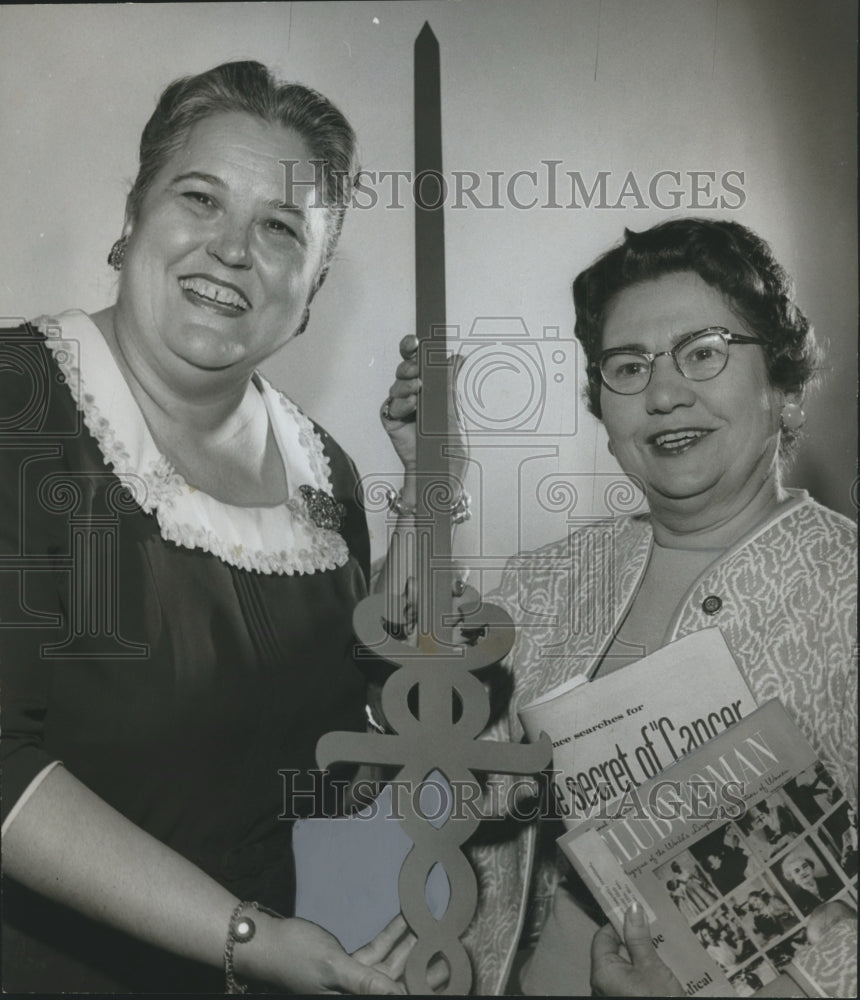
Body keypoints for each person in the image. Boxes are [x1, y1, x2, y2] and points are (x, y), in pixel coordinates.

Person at [0, 60, 444, 993]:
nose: (232, 249)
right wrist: (246, 935)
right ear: (132, 219)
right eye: (199, 198)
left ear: (313, 287)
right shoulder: (17, 406)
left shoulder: (324, 472)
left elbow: (371, 714)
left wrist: (430, 482)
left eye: (279, 228)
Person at [389, 217, 857, 996]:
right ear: (604, 411)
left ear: (780, 379)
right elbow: (419, 715)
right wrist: (428, 481)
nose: (666, 395)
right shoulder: (560, 575)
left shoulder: (843, 589)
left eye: (703, 353)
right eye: (629, 367)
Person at [778, 851, 844, 915]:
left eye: (805, 866)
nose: (803, 872)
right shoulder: (797, 902)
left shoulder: (831, 881)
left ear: (811, 868)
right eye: (797, 871)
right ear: (792, 878)